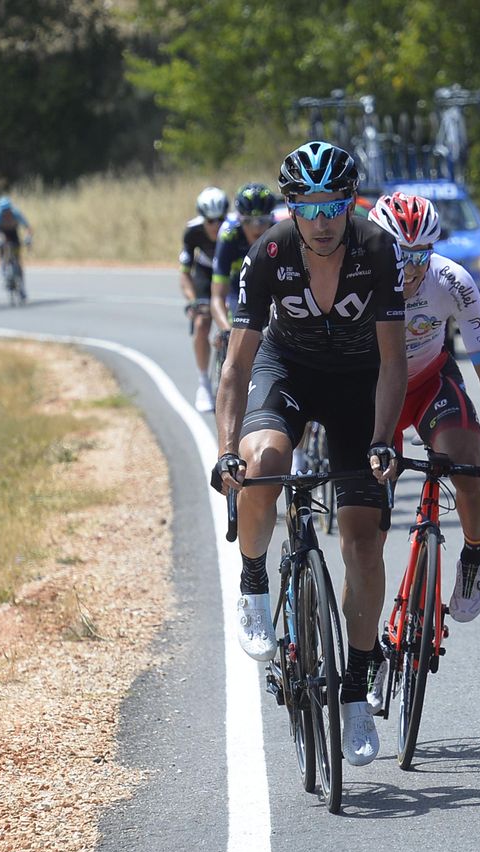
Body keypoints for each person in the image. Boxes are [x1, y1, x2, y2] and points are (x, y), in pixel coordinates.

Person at [211, 142, 407, 768]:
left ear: (351, 202)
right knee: (265, 460)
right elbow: (238, 366)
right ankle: (253, 584)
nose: (323, 219)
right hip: (286, 369)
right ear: (291, 206)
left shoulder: (377, 250)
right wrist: (224, 452)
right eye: (310, 205)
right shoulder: (268, 252)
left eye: (335, 204)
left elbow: (395, 362)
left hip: (357, 381)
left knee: (363, 540)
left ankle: (353, 689)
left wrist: (381, 440)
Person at [367, 192, 480, 622]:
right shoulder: (355, 276)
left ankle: (474, 557)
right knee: (366, 531)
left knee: (466, 466)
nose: (412, 266)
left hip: (427, 384)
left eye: (422, 253)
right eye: (400, 253)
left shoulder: (452, 281)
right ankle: (366, 646)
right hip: (369, 391)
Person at [180, 186, 229, 412]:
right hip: (205, 272)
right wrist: (193, 300)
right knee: (201, 323)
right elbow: (184, 274)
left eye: (220, 219)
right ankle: (203, 382)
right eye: (210, 221)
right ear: (202, 218)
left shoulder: (235, 228)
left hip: (230, 273)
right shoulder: (192, 232)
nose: (215, 225)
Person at [210, 182, 278, 339]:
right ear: (240, 220)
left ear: (271, 218)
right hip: (237, 291)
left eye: (262, 220)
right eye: (248, 221)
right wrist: (226, 330)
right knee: (234, 338)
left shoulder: (279, 235)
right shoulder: (229, 236)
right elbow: (217, 296)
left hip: (270, 293)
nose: (256, 228)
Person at [0, 196, 33, 296]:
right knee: (2, 252)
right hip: (3, 233)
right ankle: (5, 273)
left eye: (8, 209)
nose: (6, 212)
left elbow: (28, 227)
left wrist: (28, 238)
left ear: (11, 208)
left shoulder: (16, 213)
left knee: (17, 259)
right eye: (3, 210)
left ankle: (22, 287)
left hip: (13, 234)